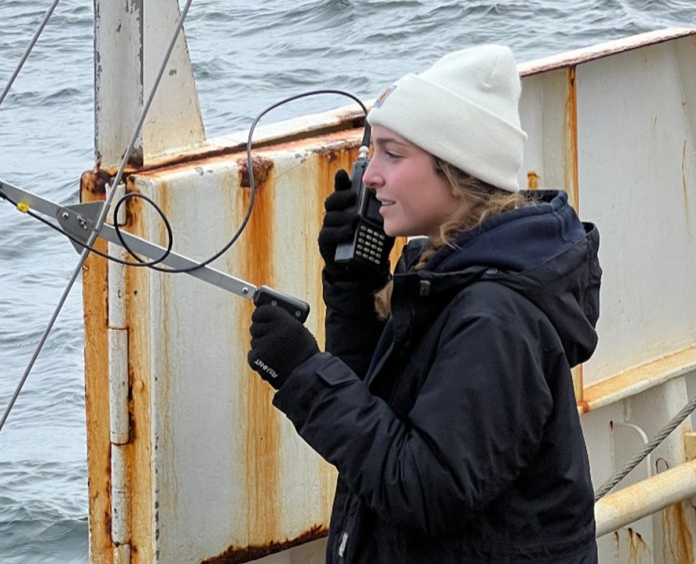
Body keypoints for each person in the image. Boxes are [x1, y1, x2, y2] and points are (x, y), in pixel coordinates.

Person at [246, 44, 602, 563]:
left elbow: (425, 488)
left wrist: (304, 375)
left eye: (393, 153)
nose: (370, 176)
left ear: (455, 170)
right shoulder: (444, 273)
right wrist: (354, 289)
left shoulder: (496, 318)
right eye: (375, 153)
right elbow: (383, 408)